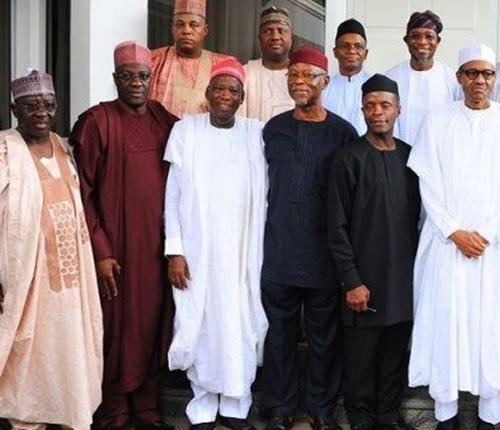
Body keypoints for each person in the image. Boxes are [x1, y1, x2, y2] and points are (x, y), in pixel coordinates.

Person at [407, 43, 500, 430]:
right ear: (460, 78)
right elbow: (427, 183)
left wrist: (489, 233)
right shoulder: (436, 121)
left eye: (486, 74)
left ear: (495, 79)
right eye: (471, 73)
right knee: (446, 323)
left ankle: (489, 417)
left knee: (491, 327)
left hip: (495, 248)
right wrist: (453, 231)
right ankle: (445, 415)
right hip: (446, 245)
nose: (479, 80)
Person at [71, 41, 178, 430]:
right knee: (114, 330)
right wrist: (99, 251)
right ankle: (113, 412)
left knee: (153, 325)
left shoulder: (165, 121)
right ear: (115, 79)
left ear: (152, 79)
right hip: (114, 251)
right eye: (128, 76)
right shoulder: (96, 122)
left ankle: (147, 410)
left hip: (155, 250)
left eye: (143, 76)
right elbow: (81, 191)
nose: (136, 83)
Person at [163, 58, 268, 430]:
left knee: (240, 322)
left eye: (233, 91)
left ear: (242, 98)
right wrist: (174, 249)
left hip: (242, 251)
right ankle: (203, 404)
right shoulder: (185, 131)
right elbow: (173, 195)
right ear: (207, 93)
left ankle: (237, 404)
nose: (225, 95)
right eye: (219, 88)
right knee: (200, 321)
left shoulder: (255, 133)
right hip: (197, 249)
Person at [260, 47, 357, 430]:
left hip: (323, 255)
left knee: (323, 338)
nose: (299, 82)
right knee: (279, 336)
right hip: (279, 250)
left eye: (307, 76)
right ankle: (280, 407)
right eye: (293, 75)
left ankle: (320, 407)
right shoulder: (274, 128)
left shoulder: (343, 133)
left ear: (325, 82)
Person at [0, 70, 103, 430]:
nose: (41, 112)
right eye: (31, 106)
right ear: (15, 109)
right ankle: (29, 418)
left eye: (47, 105)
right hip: (26, 276)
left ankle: (66, 411)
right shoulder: (4, 150)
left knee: (66, 348)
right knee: (28, 349)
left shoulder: (62, 146)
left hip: (70, 281)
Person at [327, 74, 420, 430]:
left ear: (398, 109)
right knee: (361, 358)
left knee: (394, 354)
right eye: (370, 106)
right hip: (361, 282)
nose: (377, 112)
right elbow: (335, 226)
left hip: (401, 280)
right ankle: (361, 418)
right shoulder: (347, 159)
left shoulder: (411, 157)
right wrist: (351, 281)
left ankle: (388, 415)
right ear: (362, 110)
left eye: (385, 105)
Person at [385, 10, 459, 145]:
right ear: (406, 41)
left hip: (439, 154)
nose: (422, 42)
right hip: (398, 155)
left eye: (429, 36)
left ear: (438, 41)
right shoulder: (390, 78)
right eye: (415, 36)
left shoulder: (452, 79)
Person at [149, 0, 231, 117]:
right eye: (180, 24)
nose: (186, 31)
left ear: (205, 30)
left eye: (194, 25)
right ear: (172, 28)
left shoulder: (222, 65)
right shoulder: (154, 60)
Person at [240, 6, 295, 124]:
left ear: (291, 38)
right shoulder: (245, 73)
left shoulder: (303, 75)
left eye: (281, 31)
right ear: (259, 39)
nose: (275, 37)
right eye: (267, 31)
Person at [322, 18, 371, 135]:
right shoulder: (323, 87)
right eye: (345, 46)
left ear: (366, 53)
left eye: (358, 46)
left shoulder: (375, 87)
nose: (352, 51)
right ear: (335, 52)